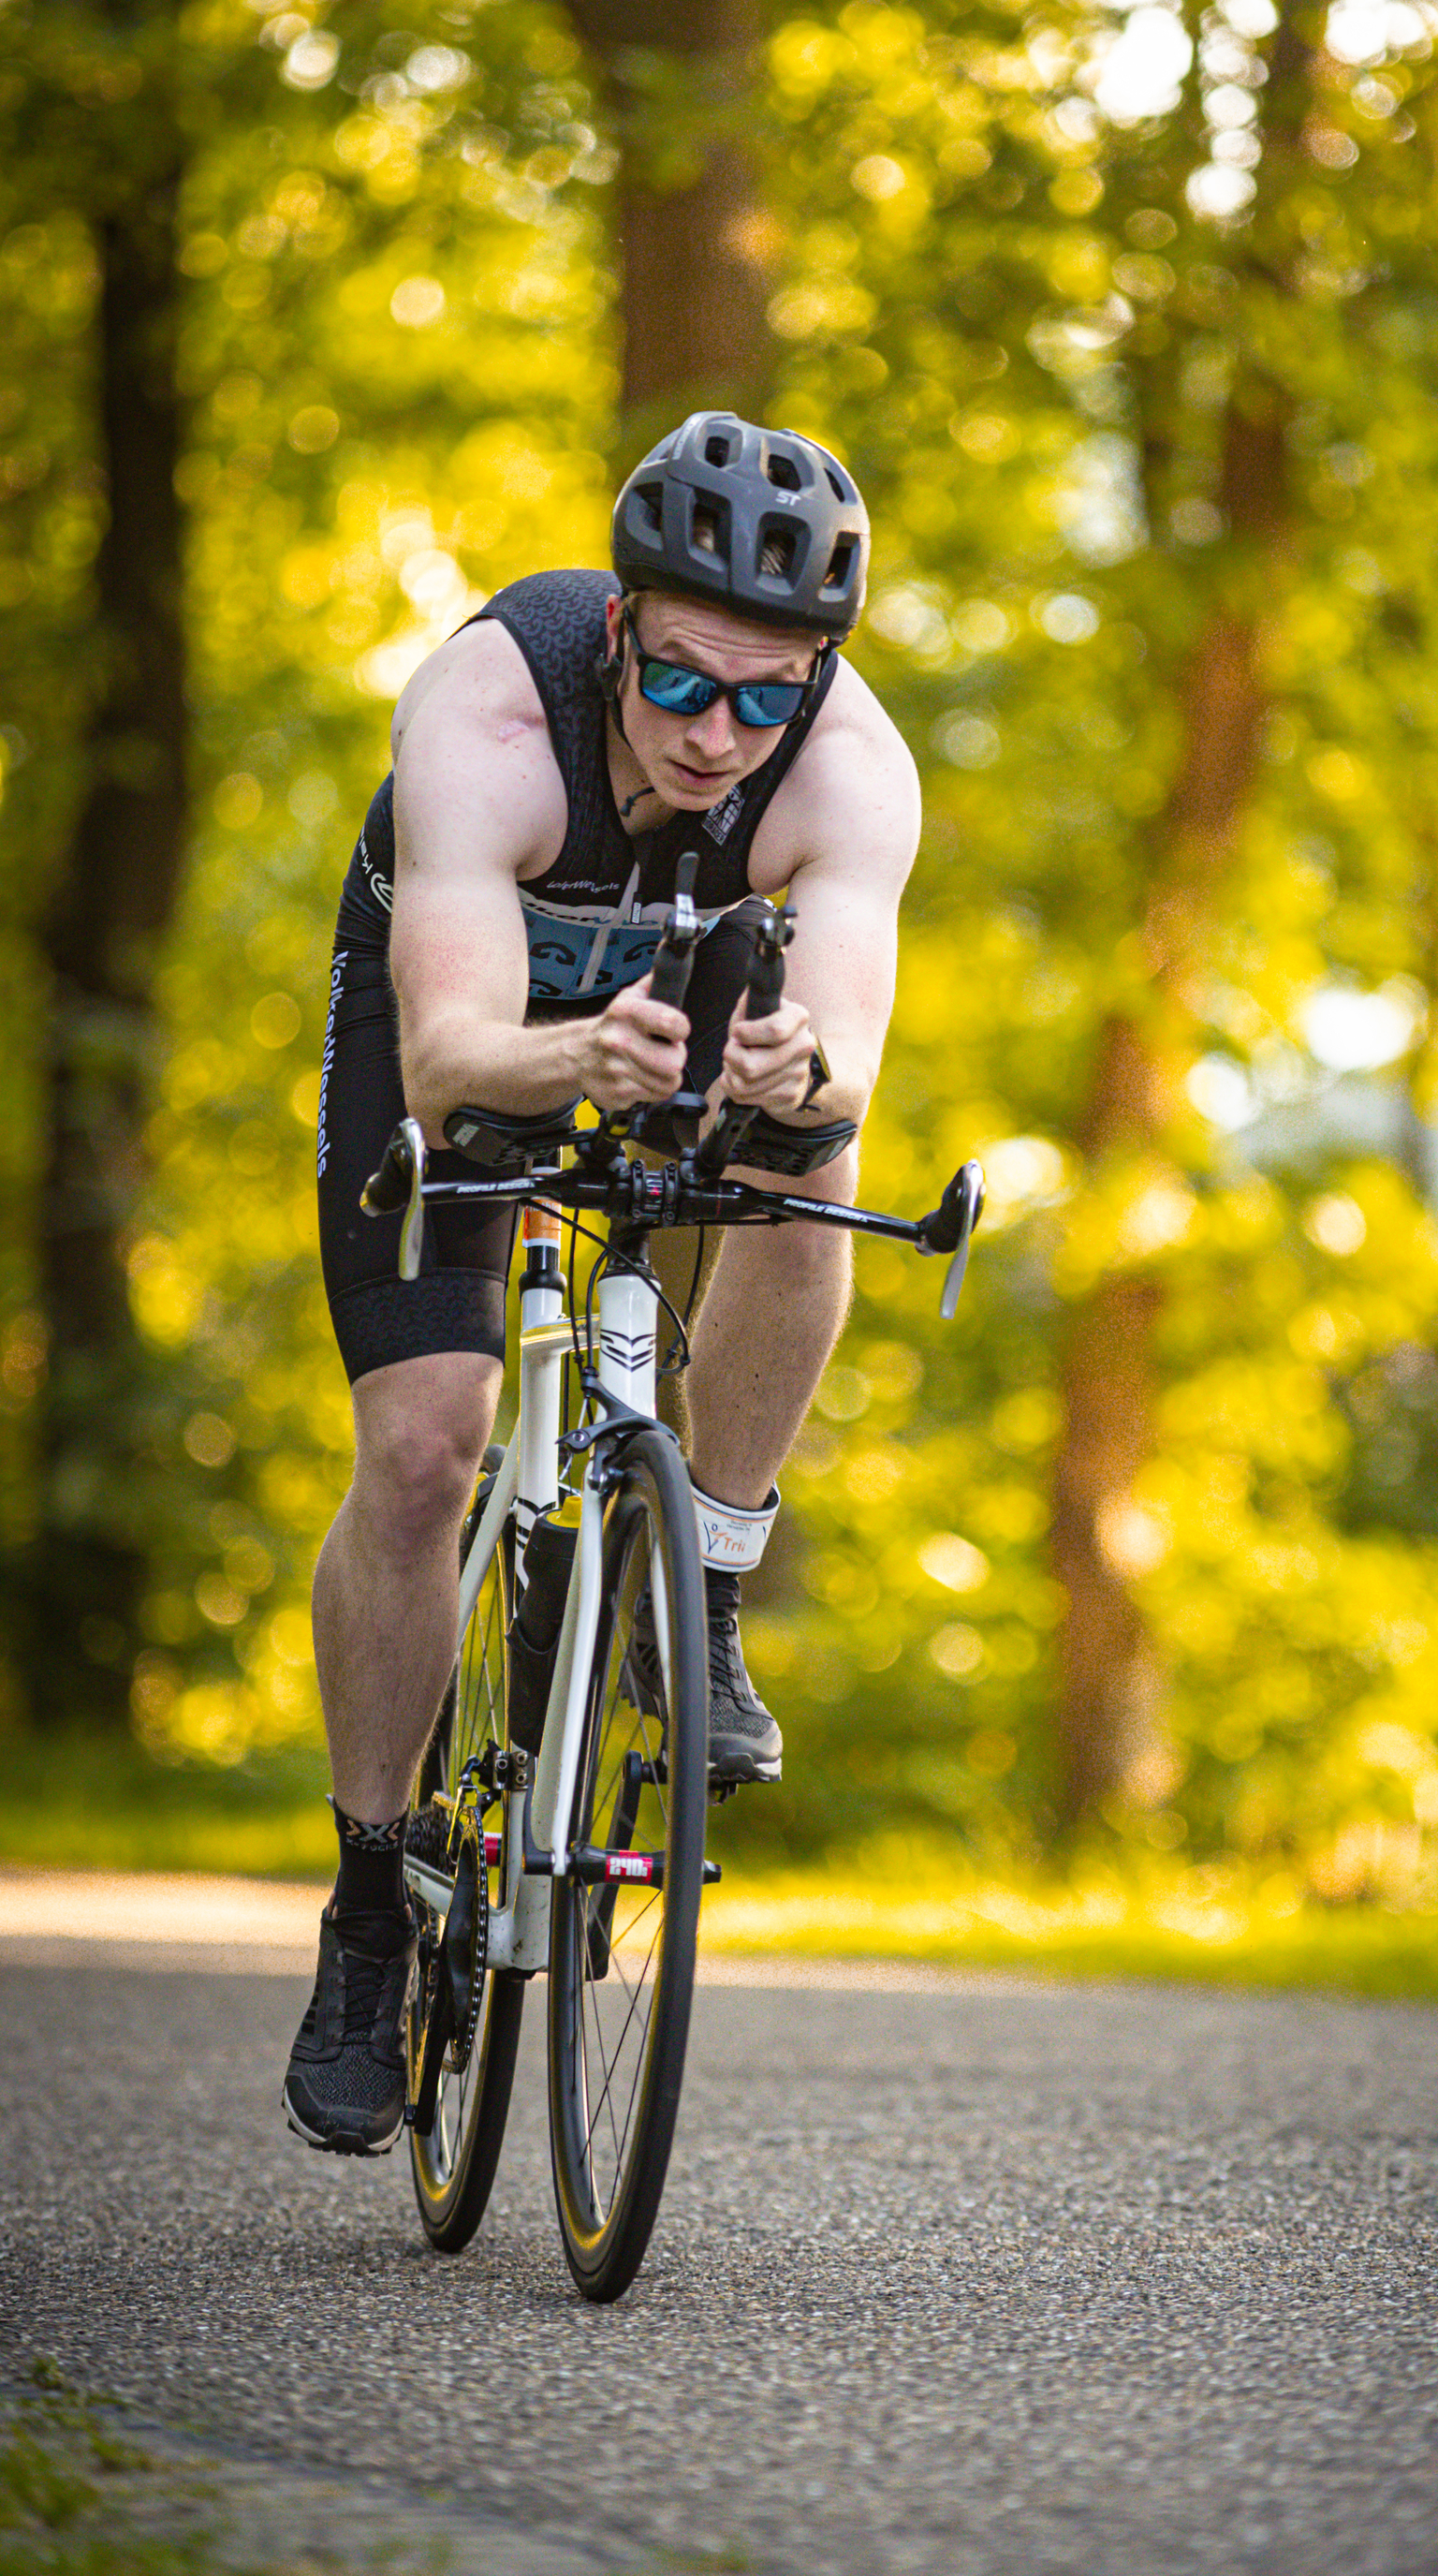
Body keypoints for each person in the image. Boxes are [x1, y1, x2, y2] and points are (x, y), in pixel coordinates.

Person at [283, 413, 919, 2154]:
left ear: (820, 683)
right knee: (426, 1445)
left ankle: (702, 1581)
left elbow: (849, 1045)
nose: (720, 735)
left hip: (669, 1031)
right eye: (685, 685)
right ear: (620, 631)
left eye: (767, 697)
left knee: (825, 1181)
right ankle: (365, 1902)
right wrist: (575, 1053)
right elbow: (445, 1056)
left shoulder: (852, 770)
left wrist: (803, 1081)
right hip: (479, 1024)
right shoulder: (488, 719)